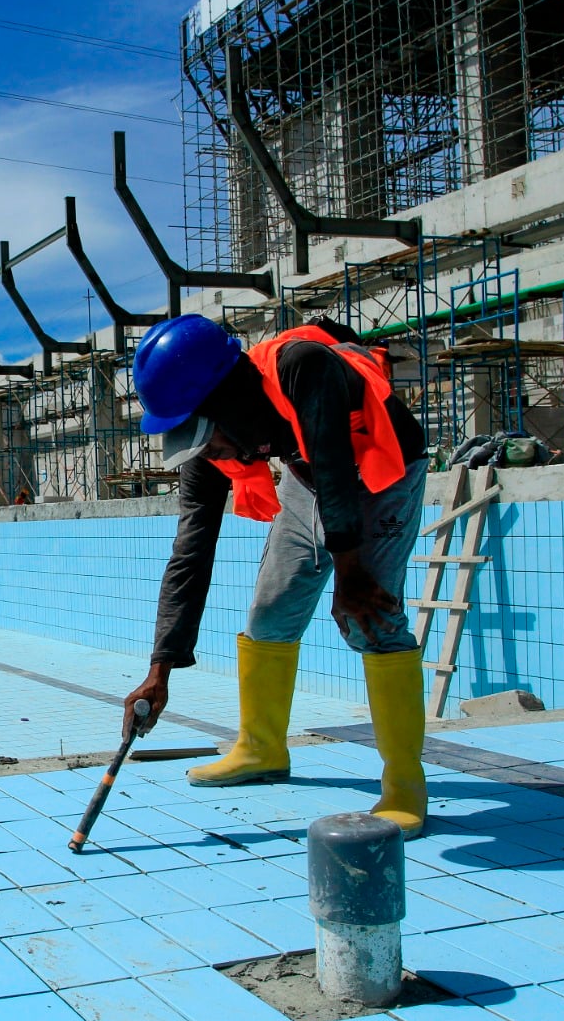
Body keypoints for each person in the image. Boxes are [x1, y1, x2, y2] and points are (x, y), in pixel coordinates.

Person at [123, 314, 431, 838]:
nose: (211, 454)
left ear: (225, 399)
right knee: (270, 612)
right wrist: (161, 668)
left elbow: (335, 463)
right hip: (311, 476)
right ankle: (261, 747)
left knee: (370, 617)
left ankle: (405, 782)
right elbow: (191, 549)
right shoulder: (208, 433)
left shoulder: (302, 368)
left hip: (381, 467)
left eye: (208, 439)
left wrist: (350, 573)